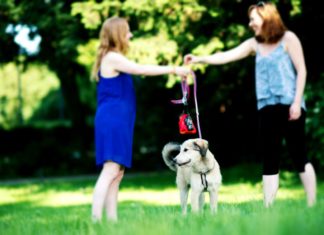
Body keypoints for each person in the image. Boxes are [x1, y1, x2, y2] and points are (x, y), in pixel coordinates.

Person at [184, 1, 316, 207]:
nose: (250, 23)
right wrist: (200, 59)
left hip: (291, 105)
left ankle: (311, 203)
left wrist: (297, 102)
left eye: (253, 19)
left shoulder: (288, 38)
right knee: (270, 157)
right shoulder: (255, 44)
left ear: (266, 17)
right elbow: (227, 56)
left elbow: (302, 71)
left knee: (299, 155)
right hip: (266, 107)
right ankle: (268, 207)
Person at [91, 16, 191, 222]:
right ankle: (95, 221)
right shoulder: (112, 57)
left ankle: (111, 222)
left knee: (117, 173)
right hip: (113, 120)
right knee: (110, 170)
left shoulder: (113, 58)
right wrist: (174, 69)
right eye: (127, 31)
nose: (130, 35)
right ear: (118, 34)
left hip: (119, 120)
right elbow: (141, 69)